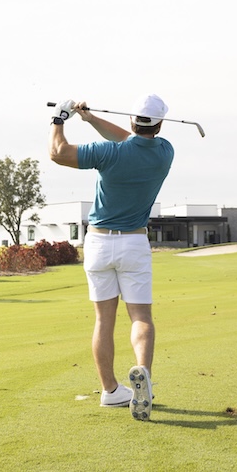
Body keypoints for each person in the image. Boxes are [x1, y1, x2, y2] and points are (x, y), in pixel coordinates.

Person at [48, 96, 174, 421]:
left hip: (99, 244)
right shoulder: (164, 152)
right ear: (159, 125)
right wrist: (90, 119)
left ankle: (110, 391)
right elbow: (131, 140)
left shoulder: (108, 153)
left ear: (133, 120)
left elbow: (58, 152)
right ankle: (142, 373)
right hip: (134, 242)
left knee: (104, 320)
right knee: (141, 317)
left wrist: (60, 118)